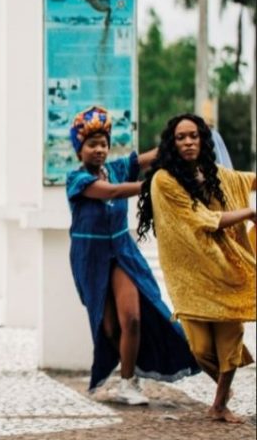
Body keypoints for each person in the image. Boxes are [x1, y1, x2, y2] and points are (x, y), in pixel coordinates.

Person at [65, 106, 198, 405]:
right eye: (91, 145)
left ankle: (128, 382)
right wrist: (154, 186)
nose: (99, 150)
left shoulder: (117, 167)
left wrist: (178, 140)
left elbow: (151, 156)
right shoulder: (76, 180)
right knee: (110, 327)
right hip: (91, 258)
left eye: (103, 144)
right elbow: (111, 192)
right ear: (80, 149)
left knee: (134, 319)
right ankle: (128, 368)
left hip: (121, 253)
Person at [137, 113, 256, 423]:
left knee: (230, 340)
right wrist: (248, 212)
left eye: (194, 136)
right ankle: (222, 391)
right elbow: (202, 219)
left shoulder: (217, 174)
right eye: (181, 137)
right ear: (172, 143)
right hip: (191, 276)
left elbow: (247, 180)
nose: (188, 142)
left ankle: (218, 404)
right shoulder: (164, 180)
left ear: (202, 140)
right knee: (201, 347)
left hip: (227, 270)